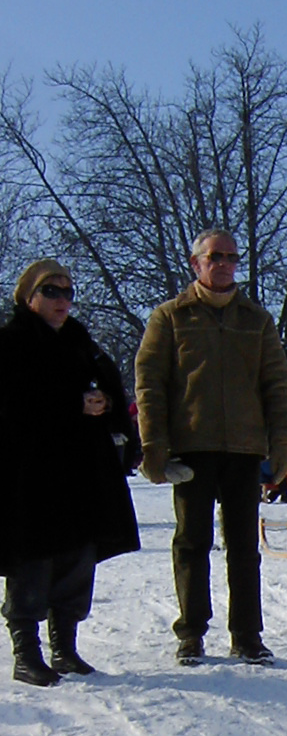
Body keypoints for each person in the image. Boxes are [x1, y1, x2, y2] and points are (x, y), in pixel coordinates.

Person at [136, 228, 287, 664]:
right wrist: (155, 445)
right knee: (192, 541)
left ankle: (247, 634)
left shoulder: (256, 320)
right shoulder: (169, 318)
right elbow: (150, 384)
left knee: (244, 545)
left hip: (244, 448)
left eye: (230, 256)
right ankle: (191, 632)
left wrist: (282, 445)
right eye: (214, 256)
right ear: (196, 263)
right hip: (191, 447)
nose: (223, 263)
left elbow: (278, 386)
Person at [0, 259, 139, 685]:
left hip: (82, 469)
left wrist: (106, 404)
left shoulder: (82, 342)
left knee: (79, 557)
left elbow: (109, 386)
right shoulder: (12, 342)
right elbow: (12, 403)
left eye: (68, 292)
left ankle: (65, 646)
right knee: (34, 561)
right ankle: (26, 651)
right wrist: (72, 404)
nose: (62, 301)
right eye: (51, 291)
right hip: (31, 473)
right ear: (29, 296)